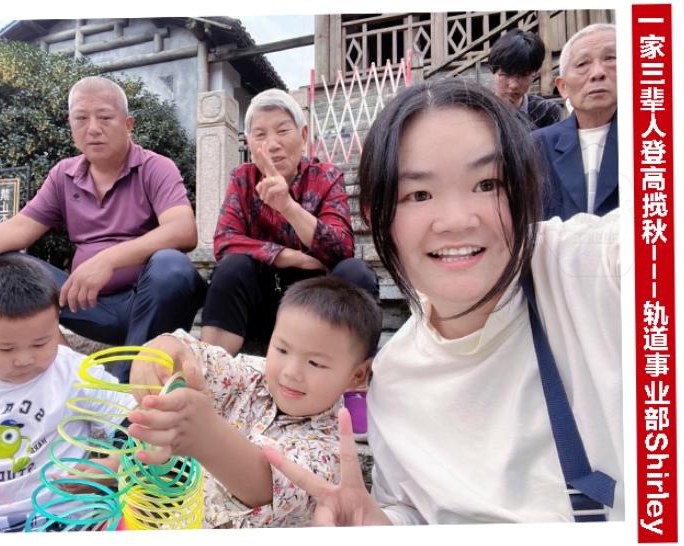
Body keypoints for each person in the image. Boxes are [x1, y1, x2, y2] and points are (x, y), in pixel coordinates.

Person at [261, 78, 623, 525]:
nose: (455, 221)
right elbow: (412, 510)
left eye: (487, 184)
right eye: (419, 194)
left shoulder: (591, 269)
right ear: (377, 216)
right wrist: (380, 526)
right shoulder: (394, 379)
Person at [0, 76, 206, 382]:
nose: (93, 128)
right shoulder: (64, 174)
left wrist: (108, 260)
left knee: (171, 265)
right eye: (81, 118)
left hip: (152, 305)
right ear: (71, 125)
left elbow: (183, 230)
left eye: (105, 117)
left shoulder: (155, 167)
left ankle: (127, 383)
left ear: (128, 124)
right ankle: (66, 374)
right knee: (7, 263)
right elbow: (19, 228)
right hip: (85, 305)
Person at [127, 276, 383, 528]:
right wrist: (161, 352)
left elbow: (264, 486)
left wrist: (205, 435)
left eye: (315, 363)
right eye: (282, 350)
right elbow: (201, 358)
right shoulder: (251, 376)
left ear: (357, 375)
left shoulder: (334, 449)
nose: (291, 372)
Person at [0, 254, 133, 533]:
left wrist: (114, 466)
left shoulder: (75, 372)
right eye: (6, 348)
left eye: (42, 343)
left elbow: (132, 422)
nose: (25, 359)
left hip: (63, 517)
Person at [202, 88, 379, 357]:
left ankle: (347, 369)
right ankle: (212, 367)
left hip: (315, 307)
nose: (272, 144)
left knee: (355, 272)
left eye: (283, 131)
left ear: (303, 135)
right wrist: (288, 256)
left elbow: (342, 249)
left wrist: (288, 207)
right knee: (232, 266)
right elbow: (225, 241)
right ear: (249, 143)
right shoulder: (243, 178)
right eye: (260, 135)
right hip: (259, 304)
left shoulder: (326, 177)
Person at [532, 24, 618, 220]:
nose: (597, 73)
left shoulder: (657, 142)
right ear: (563, 87)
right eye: (582, 64)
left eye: (611, 59)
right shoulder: (536, 146)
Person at [488, 28, 562, 129]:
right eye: (506, 74)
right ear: (493, 71)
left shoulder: (546, 112)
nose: (514, 85)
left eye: (523, 75)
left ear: (534, 74)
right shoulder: (479, 111)